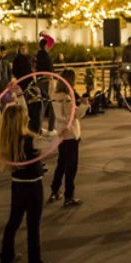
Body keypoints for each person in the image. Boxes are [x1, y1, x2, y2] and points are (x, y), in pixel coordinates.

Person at [0, 104, 54, 263]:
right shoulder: (30, 139)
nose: (28, 118)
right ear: (21, 120)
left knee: (14, 220)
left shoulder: (8, 138)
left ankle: (6, 254)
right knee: (33, 225)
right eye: (25, 116)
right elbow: (51, 143)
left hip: (17, 184)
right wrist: (61, 135)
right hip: (33, 186)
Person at [48, 69, 90, 207]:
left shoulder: (54, 95)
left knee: (61, 163)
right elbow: (73, 115)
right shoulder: (66, 98)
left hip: (60, 132)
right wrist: (85, 104)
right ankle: (69, 196)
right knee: (71, 167)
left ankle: (55, 190)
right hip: (70, 134)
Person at [35, 38, 55, 133]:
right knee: (47, 104)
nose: (51, 46)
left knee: (44, 105)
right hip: (45, 81)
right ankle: (48, 128)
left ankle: (40, 128)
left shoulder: (40, 55)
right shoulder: (44, 56)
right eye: (49, 44)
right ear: (45, 45)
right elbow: (47, 69)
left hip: (43, 80)